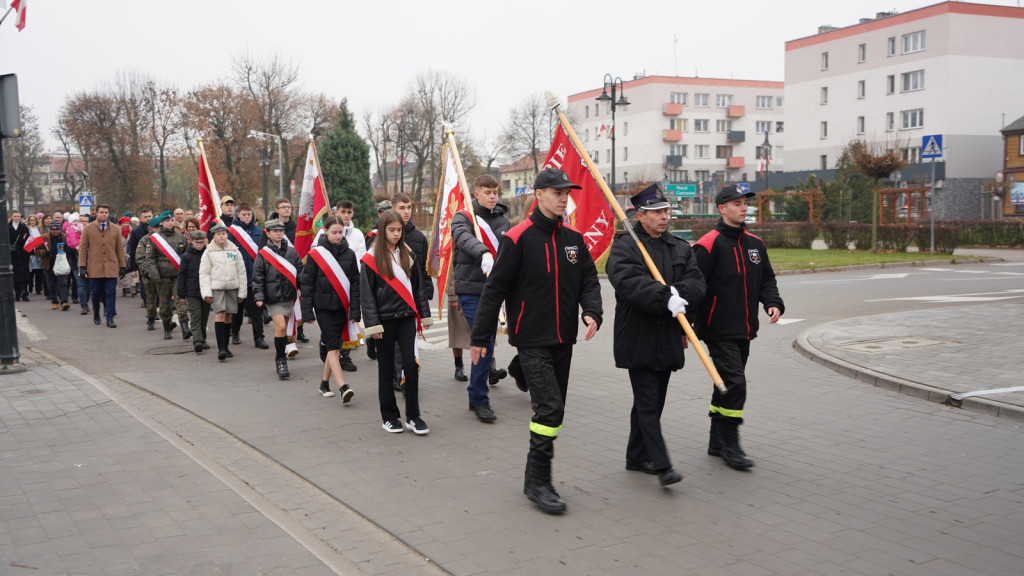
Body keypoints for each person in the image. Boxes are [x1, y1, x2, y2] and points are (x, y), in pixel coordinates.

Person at [469, 167, 603, 515]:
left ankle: (533, 477)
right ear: (539, 194)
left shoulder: (573, 239)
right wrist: (480, 336)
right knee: (549, 408)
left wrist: (592, 311)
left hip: (564, 338)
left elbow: (589, 278)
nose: (563, 198)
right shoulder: (517, 238)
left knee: (554, 410)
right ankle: (539, 482)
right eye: (557, 192)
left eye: (566, 193)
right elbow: (495, 288)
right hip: (531, 338)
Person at [606, 184, 706, 487]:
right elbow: (627, 282)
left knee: (652, 400)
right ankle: (662, 465)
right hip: (638, 335)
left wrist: (679, 293)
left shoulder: (679, 247)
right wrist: (664, 296)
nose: (664, 217)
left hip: (668, 336)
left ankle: (635, 456)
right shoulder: (626, 246)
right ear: (641, 215)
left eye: (666, 211)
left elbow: (697, 282)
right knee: (648, 401)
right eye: (657, 212)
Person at [693, 184, 785, 471]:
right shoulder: (707, 244)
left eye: (745, 202)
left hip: (745, 328)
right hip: (716, 328)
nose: (743, 207)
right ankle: (731, 445)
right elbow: (694, 287)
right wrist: (688, 327)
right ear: (722, 209)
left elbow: (766, 278)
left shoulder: (755, 244)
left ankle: (715, 441)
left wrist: (773, 301)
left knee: (725, 384)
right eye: (736, 203)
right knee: (735, 383)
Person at [360, 210, 432, 434]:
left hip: (407, 317)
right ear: (383, 231)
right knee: (387, 369)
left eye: (399, 230)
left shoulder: (408, 254)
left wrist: (424, 314)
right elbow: (367, 295)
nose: (396, 234)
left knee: (411, 367)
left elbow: (417, 287)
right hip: (384, 321)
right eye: (391, 230)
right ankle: (389, 417)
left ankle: (413, 415)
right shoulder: (371, 258)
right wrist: (373, 326)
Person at [451, 174, 511, 423]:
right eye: (487, 192)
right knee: (483, 339)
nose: (493, 196)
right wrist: (483, 252)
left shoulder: (502, 220)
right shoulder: (463, 217)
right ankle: (481, 399)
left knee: (488, 341)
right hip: (472, 290)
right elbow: (462, 237)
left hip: (497, 289)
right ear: (476, 194)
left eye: (495, 192)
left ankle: (475, 394)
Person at [301, 216, 360, 401]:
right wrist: (306, 312)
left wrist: (356, 311)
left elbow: (356, 285)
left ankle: (324, 383)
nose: (337, 236)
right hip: (323, 308)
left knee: (334, 345)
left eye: (340, 232)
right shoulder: (316, 255)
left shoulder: (350, 254)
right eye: (334, 232)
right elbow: (307, 285)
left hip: (342, 307)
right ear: (325, 231)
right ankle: (343, 387)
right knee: (333, 346)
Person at [388, 192, 433, 392]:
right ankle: (398, 375)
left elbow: (423, 268)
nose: (406, 212)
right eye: (401, 208)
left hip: (413, 297)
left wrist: (427, 288)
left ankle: (407, 376)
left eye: (409, 208)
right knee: (396, 342)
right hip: (391, 298)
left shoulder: (418, 237)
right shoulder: (384, 235)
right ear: (393, 209)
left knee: (408, 339)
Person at [252, 219, 303, 378]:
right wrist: (259, 296)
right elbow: (257, 277)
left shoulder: (292, 252)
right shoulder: (263, 254)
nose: (279, 233)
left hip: (288, 296)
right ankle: (280, 359)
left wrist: (306, 292)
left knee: (285, 329)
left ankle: (281, 355)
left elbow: (300, 273)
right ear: (268, 233)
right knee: (280, 327)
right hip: (273, 297)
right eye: (275, 231)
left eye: (281, 230)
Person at [138, 210, 189, 340]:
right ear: (162, 222)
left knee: (181, 301)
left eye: (172, 220)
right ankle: (167, 328)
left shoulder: (180, 237)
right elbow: (150, 258)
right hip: (162, 276)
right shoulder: (154, 239)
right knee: (165, 304)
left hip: (177, 275)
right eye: (167, 221)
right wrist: (155, 275)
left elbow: (186, 254)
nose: (170, 223)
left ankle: (184, 327)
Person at [200, 224, 247, 360]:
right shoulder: (209, 252)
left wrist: (242, 292)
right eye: (218, 234)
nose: (221, 236)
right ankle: (221, 349)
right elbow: (204, 273)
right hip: (217, 288)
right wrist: (207, 293)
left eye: (224, 233)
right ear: (213, 236)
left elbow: (241, 272)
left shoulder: (235, 250)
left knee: (228, 317)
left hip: (232, 287)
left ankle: (226, 347)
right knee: (219, 315)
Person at [78, 205, 127, 328]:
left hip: (111, 265)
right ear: (97, 214)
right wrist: (82, 266)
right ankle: (96, 313)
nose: (104, 214)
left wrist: (123, 265)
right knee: (95, 293)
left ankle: (110, 318)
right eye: (101, 212)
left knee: (110, 292)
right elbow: (83, 248)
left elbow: (119, 249)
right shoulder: (88, 229)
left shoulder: (115, 229)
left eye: (106, 212)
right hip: (95, 266)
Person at [227, 203, 266, 349]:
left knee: (257, 309)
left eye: (249, 214)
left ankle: (259, 338)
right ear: (238, 215)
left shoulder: (259, 231)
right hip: (239, 276)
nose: (247, 217)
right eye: (244, 214)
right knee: (237, 308)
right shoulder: (232, 232)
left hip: (255, 277)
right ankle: (235, 332)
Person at [333, 199, 364, 372]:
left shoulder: (358, 234)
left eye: (349, 212)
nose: (346, 215)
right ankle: (328, 346)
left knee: (349, 320)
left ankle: (345, 356)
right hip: (331, 285)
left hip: (351, 284)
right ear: (337, 212)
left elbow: (361, 257)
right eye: (343, 212)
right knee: (334, 320)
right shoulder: (325, 231)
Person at [178, 230, 211, 353]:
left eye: (202, 242)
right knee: (196, 316)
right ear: (191, 241)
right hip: (192, 291)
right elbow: (181, 276)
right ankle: (197, 340)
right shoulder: (186, 256)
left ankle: (203, 339)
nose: (200, 244)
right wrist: (181, 294)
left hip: (206, 290)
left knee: (204, 316)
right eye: (197, 242)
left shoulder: (208, 254)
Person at [126, 207, 154, 314]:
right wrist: (133, 268)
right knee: (145, 284)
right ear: (140, 219)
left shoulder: (157, 229)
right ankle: (147, 303)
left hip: (156, 262)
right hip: (143, 263)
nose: (148, 219)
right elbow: (132, 249)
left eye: (149, 216)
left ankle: (154, 305)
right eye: (145, 217)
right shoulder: (136, 231)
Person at [40, 221, 71, 310]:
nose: (55, 231)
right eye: (53, 229)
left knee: (62, 283)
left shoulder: (65, 237)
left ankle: (64, 301)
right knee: (51, 284)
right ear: (50, 229)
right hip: (49, 263)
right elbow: (37, 250)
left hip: (62, 263)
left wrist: (67, 251)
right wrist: (45, 252)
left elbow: (70, 248)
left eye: (57, 229)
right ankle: (54, 301)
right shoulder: (44, 237)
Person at [9, 210, 31, 301]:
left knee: (24, 273)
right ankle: (17, 293)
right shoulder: (7, 227)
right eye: (15, 216)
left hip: (23, 254)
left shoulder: (24, 228)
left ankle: (24, 292)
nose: (17, 218)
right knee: (15, 274)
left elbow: (28, 240)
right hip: (12, 254)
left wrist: (29, 253)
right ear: (11, 217)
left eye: (18, 216)